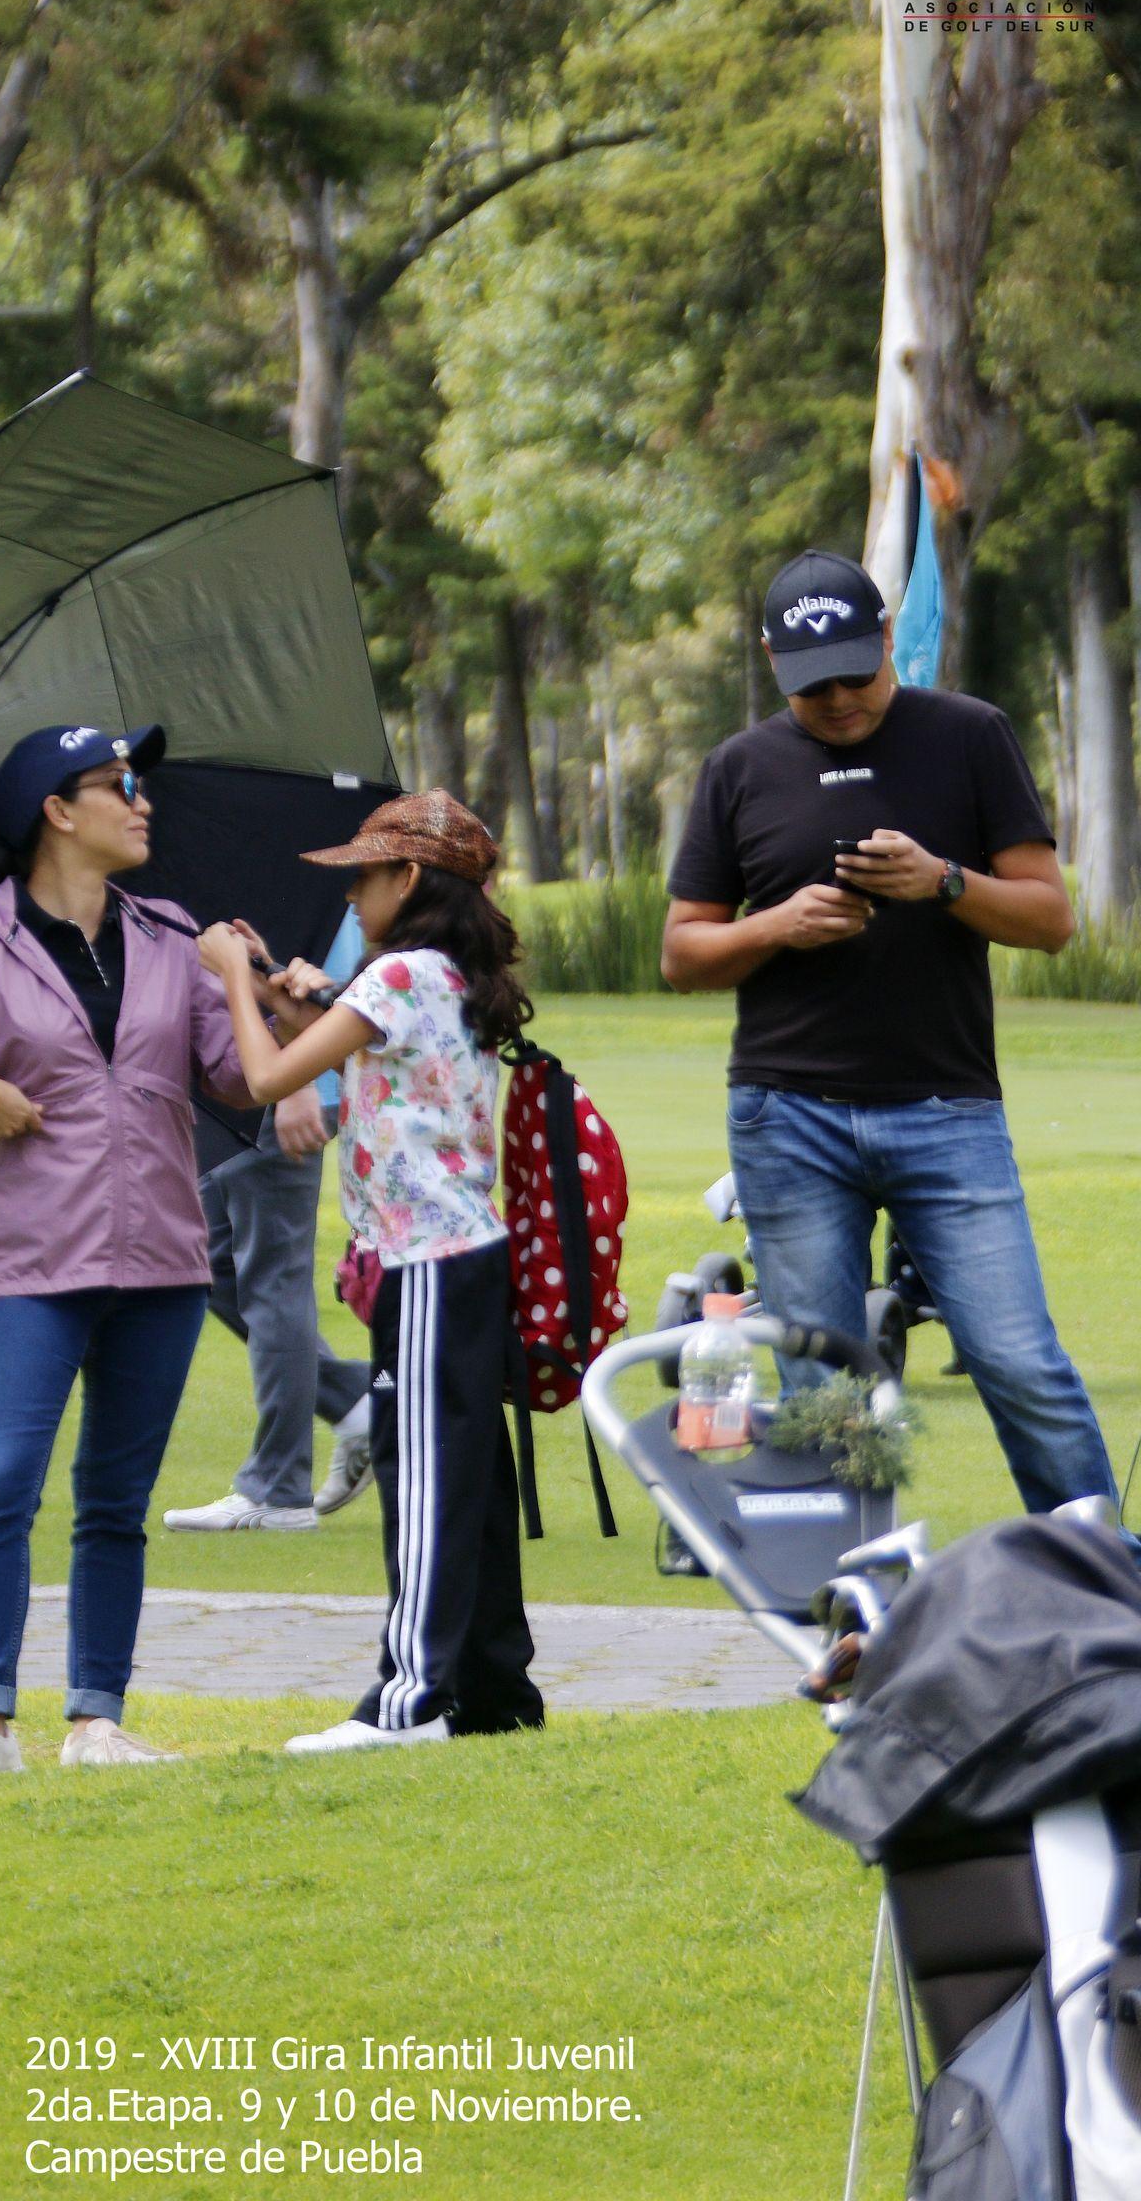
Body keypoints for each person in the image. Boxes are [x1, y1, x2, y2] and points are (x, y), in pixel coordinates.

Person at [0, 722, 266, 1784]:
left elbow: (234, 1077)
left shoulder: (172, 936)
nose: (142, 801)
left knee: (117, 1502)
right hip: (27, 1260)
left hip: (161, 1261)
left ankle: (97, 1725)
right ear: (57, 812)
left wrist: (262, 995)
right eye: (119, 784)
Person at [661, 547, 1128, 1529]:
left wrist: (940, 881)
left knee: (1016, 1359)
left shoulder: (969, 735)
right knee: (822, 1380)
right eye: (811, 684)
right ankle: (851, 1580)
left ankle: (1099, 1576)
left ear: (886, 638)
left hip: (945, 1110)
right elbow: (683, 954)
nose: (838, 701)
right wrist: (776, 926)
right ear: (771, 659)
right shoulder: (739, 768)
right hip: (787, 1117)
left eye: (854, 673)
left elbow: (1050, 920)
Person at [197, 789, 545, 1754]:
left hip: (428, 1262)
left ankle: (408, 1701)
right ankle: (493, 1693)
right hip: (461, 1257)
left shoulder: (396, 974)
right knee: (468, 1480)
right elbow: (340, 1045)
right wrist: (280, 990)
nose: (350, 896)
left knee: (424, 1479)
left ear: (410, 877)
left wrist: (230, 977)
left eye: (363, 876)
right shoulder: (448, 974)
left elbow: (269, 1079)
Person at [166, 910, 372, 1535]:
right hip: (234, 1088)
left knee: (271, 1281)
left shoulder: (311, 869)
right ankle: (357, 1402)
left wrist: (293, 1082)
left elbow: (327, 967)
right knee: (204, 1264)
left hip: (278, 1083)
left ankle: (279, 1491)